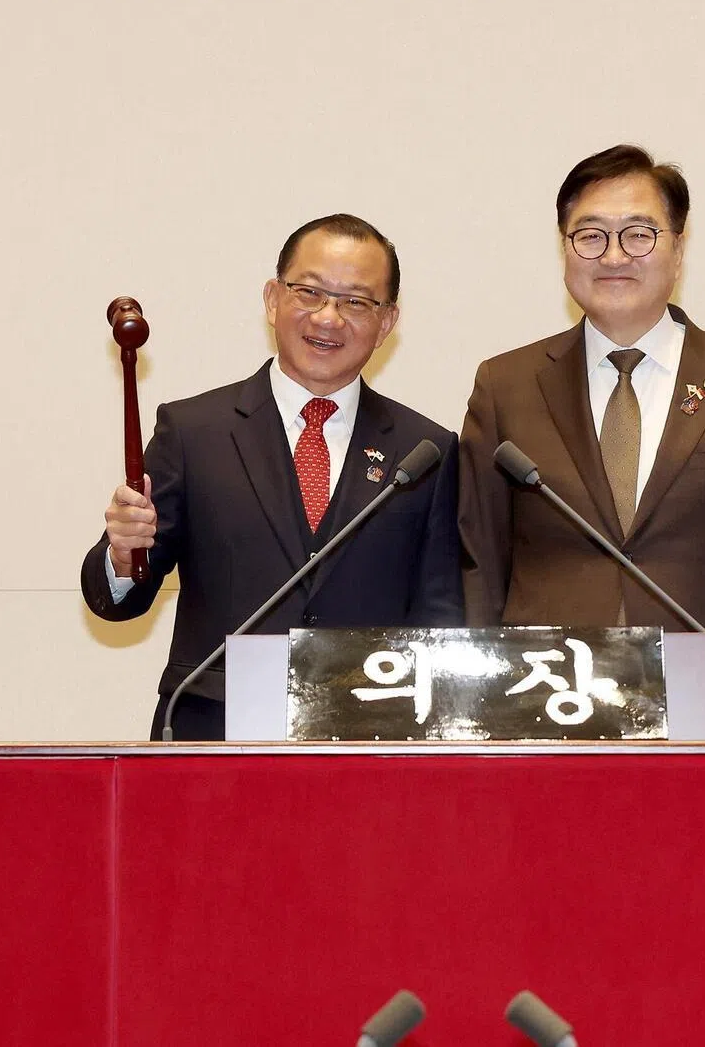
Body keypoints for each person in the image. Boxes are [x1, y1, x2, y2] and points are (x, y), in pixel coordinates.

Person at [458, 145, 705, 739]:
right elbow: (479, 567)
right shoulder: (506, 386)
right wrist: (479, 719)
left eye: (639, 234)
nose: (614, 256)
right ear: (565, 250)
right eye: (591, 236)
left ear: (679, 248)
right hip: (540, 711)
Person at [82, 213, 464, 740]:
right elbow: (119, 598)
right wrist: (123, 557)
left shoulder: (426, 451)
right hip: (214, 732)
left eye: (356, 302)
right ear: (272, 299)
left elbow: (440, 616)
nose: (328, 318)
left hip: (370, 740)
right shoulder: (194, 431)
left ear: (387, 323)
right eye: (309, 292)